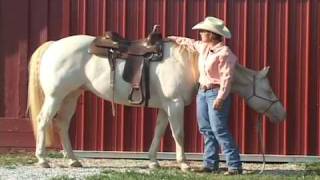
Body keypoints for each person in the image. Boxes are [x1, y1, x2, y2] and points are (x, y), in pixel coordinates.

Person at [168, 17, 242, 175]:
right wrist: (170, 38)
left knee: (219, 129)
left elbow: (226, 78)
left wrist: (221, 98)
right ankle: (210, 164)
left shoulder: (224, 53)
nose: (200, 33)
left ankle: (234, 166)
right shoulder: (203, 48)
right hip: (202, 92)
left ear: (212, 34)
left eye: (203, 31)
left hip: (216, 93)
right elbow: (188, 42)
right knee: (206, 129)